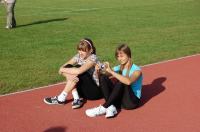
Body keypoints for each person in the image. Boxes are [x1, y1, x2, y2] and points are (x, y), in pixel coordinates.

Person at [85, 44, 143, 118]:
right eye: (118, 56)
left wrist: (112, 72)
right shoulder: (119, 67)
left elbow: (128, 82)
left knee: (122, 81)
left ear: (128, 55)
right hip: (120, 101)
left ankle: (104, 107)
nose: (119, 59)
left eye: (122, 56)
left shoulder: (137, 70)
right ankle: (111, 107)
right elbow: (105, 75)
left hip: (131, 102)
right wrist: (98, 71)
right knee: (103, 78)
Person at [44, 38, 103, 109]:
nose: (80, 52)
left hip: (94, 92)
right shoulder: (78, 56)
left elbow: (78, 71)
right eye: (79, 50)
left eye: (83, 51)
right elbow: (63, 68)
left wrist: (62, 70)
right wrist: (68, 76)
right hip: (82, 91)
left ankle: (61, 98)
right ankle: (76, 99)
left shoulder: (93, 58)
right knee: (68, 67)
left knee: (78, 70)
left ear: (91, 50)